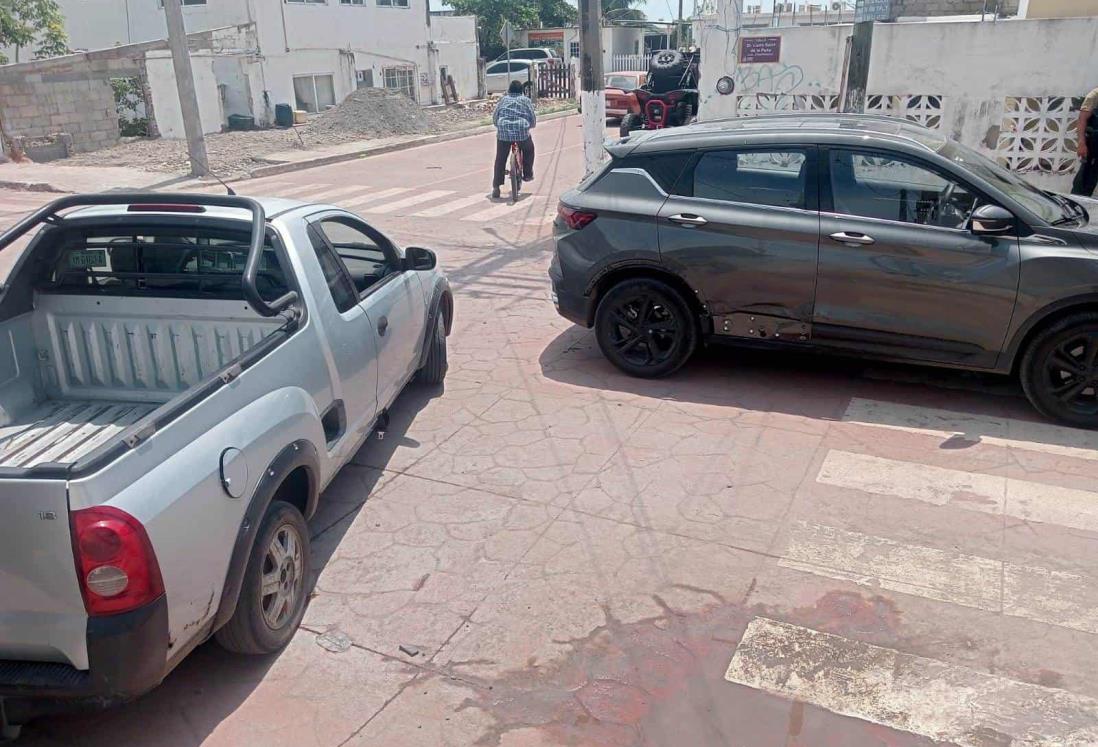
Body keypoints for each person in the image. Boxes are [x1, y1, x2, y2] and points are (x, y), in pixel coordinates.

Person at [492, 81, 536, 199]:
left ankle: (496, 186)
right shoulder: (525, 100)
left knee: (500, 158)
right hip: (521, 131)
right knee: (529, 149)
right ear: (522, 90)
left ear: (509, 90)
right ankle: (527, 174)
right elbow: (532, 118)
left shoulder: (503, 100)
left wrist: (499, 126)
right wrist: (530, 126)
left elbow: (495, 118)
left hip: (504, 131)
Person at [1072, 85, 1098, 196]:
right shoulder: (1095, 94)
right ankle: (1075, 205)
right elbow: (1082, 119)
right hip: (1095, 145)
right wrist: (1081, 144)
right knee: (1085, 181)